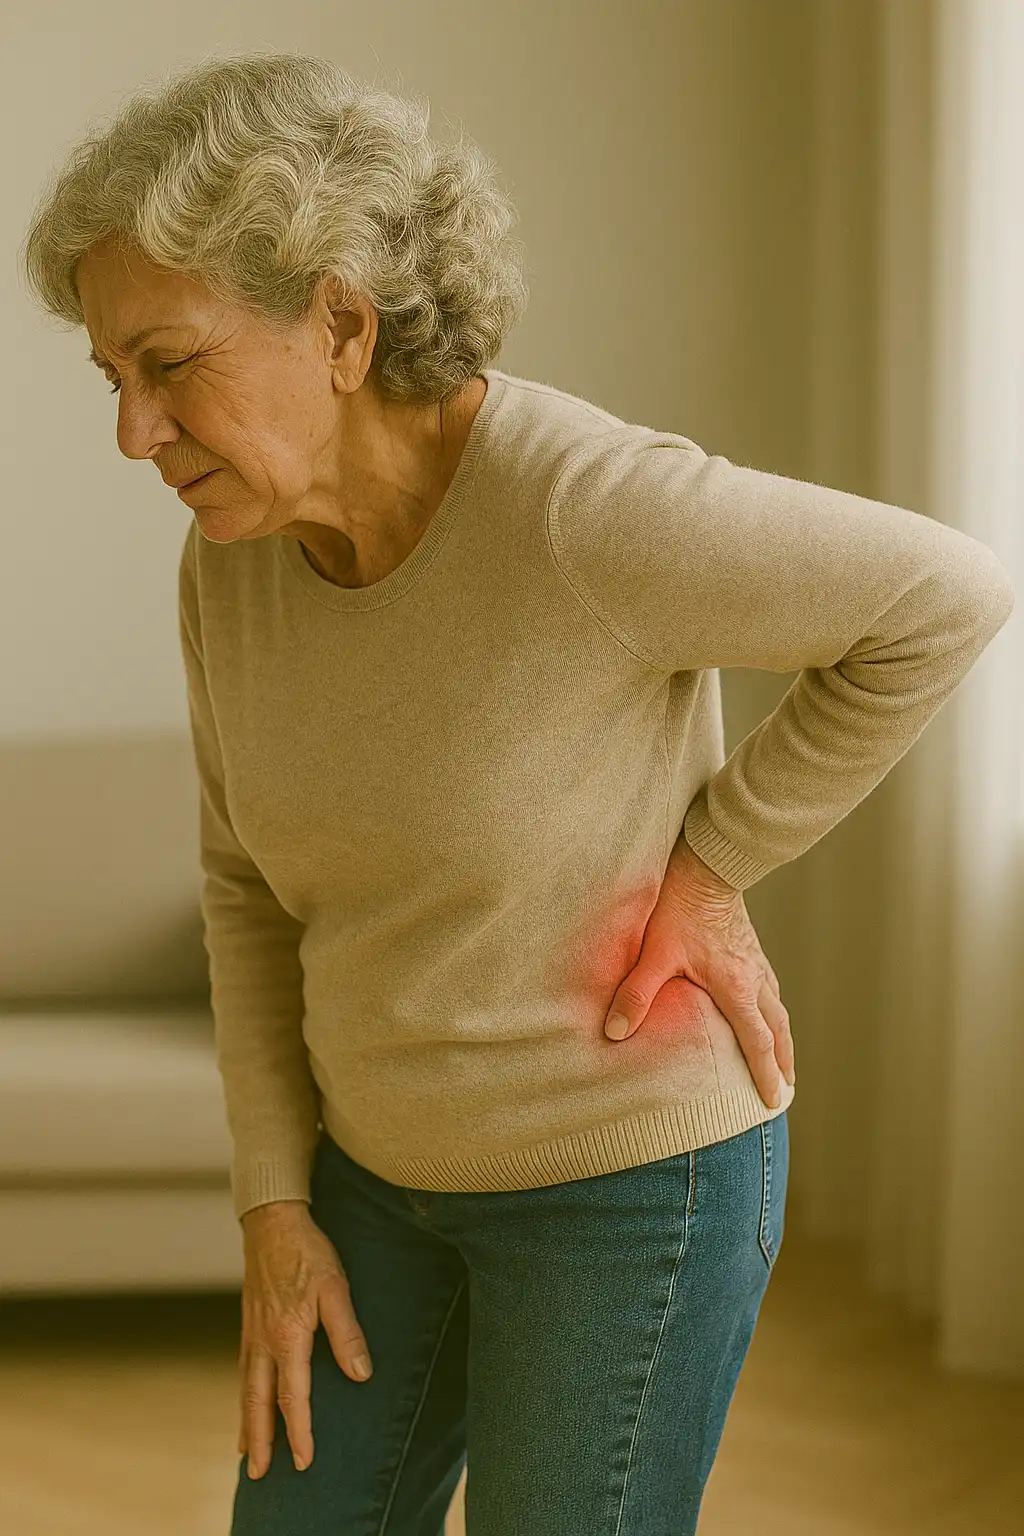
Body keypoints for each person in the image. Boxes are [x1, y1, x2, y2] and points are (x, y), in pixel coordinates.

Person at [21, 51, 1014, 1536]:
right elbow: (240, 886)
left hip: (622, 1188)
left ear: (341, 324)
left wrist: (714, 863)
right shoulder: (228, 563)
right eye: (114, 380)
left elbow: (946, 596)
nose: (132, 434)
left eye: (170, 366)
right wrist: (273, 1205)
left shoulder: (581, 510)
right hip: (370, 1181)